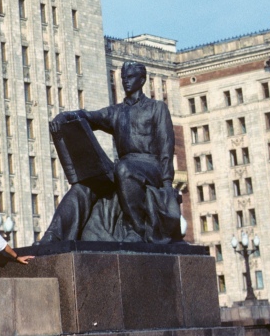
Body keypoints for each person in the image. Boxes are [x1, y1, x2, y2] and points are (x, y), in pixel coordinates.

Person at [42, 61, 181, 243]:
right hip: (124, 167)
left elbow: (166, 145)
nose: (126, 82)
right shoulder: (117, 111)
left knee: (124, 169)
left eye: (130, 77)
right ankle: (56, 235)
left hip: (150, 166)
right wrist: (66, 116)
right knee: (83, 187)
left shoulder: (157, 108)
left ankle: (136, 230)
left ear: (142, 79)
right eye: (123, 78)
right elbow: (89, 116)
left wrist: (167, 183)